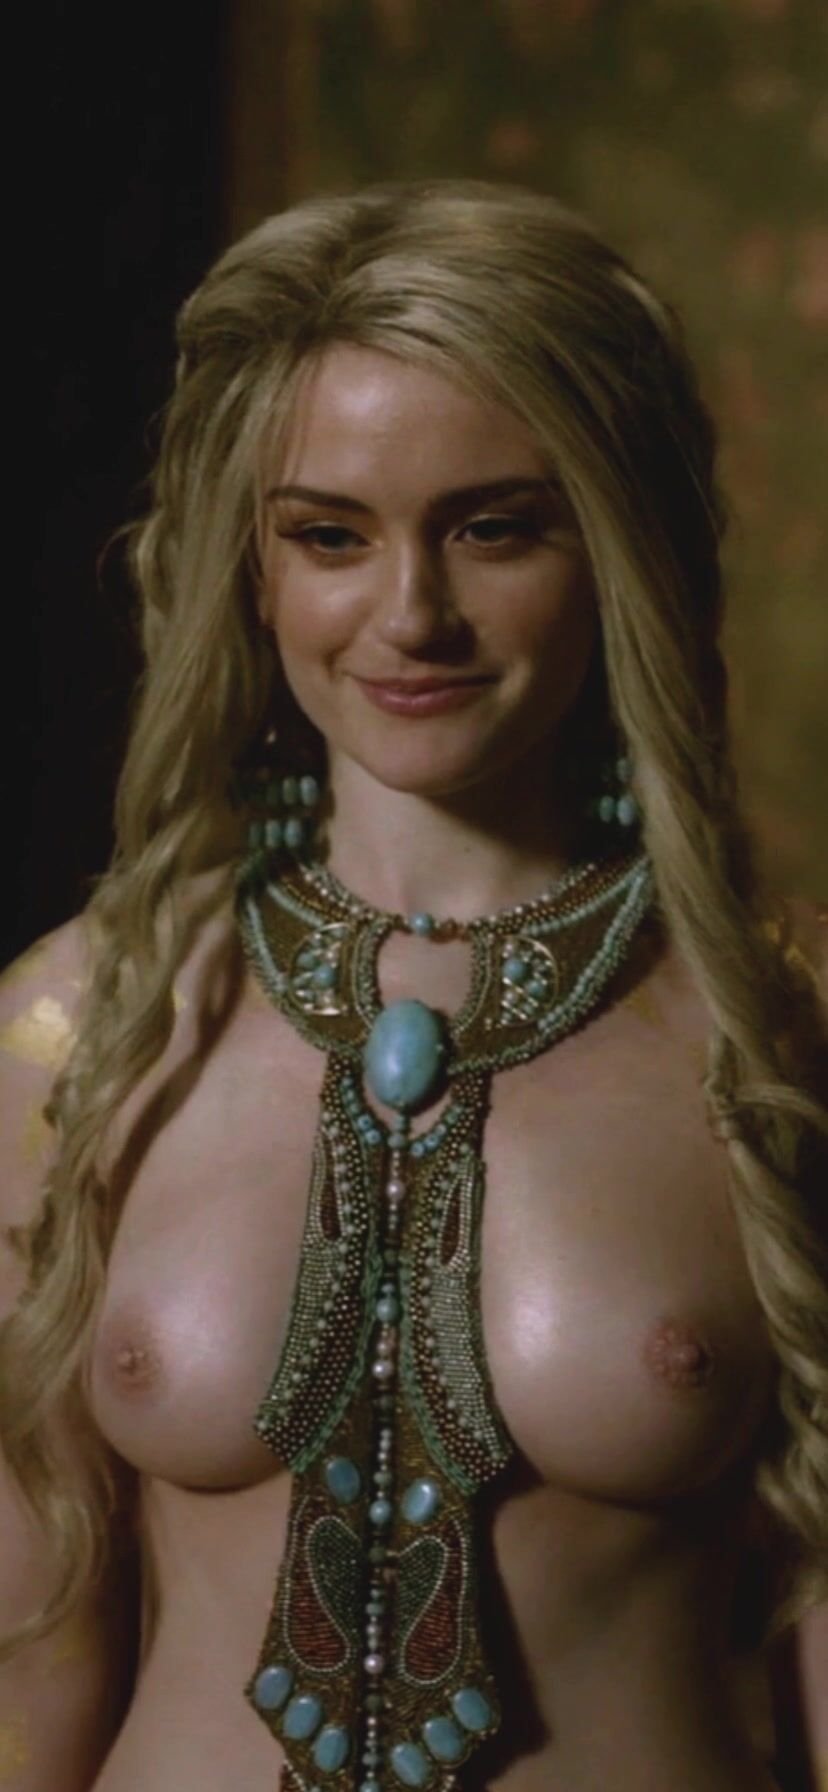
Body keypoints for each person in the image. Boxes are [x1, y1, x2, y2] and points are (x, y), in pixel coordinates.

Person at [1, 178, 826, 1792]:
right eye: (329, 535)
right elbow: (31, 1671)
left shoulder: (784, 1027)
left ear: (620, 543)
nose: (411, 615)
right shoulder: (75, 1032)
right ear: (249, 566)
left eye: (494, 526)